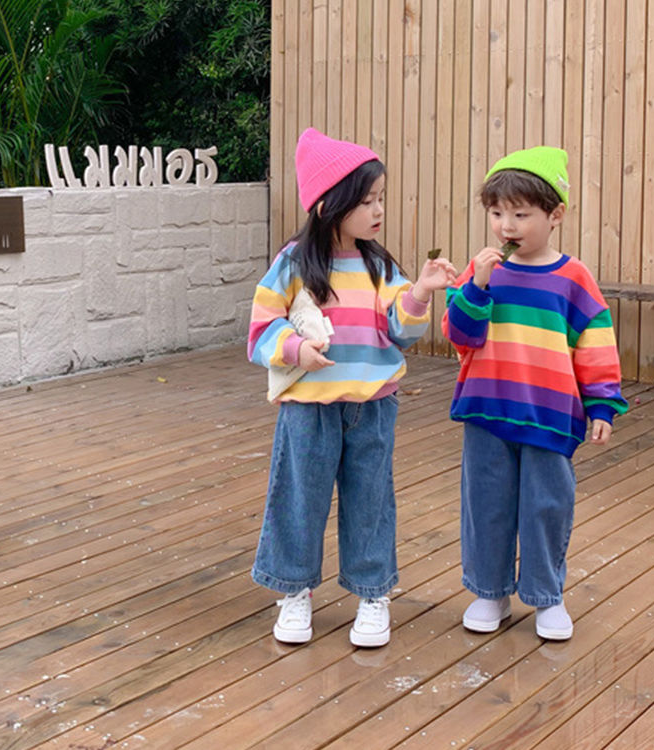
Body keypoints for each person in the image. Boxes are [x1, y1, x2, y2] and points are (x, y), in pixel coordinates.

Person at [248, 128, 456, 647]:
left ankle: (372, 593)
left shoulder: (379, 265)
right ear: (327, 205)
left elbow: (401, 332)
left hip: (373, 407)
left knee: (371, 502)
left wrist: (420, 292)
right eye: (366, 201)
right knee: (299, 498)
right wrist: (296, 349)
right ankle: (293, 590)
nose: (378, 210)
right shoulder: (293, 263)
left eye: (380, 198)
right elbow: (261, 328)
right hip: (307, 408)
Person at [442, 146, 628, 640]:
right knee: (486, 505)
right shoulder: (481, 271)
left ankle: (547, 596)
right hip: (487, 411)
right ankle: (489, 591)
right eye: (497, 213)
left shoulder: (574, 278)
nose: (506, 225)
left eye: (521, 214)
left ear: (555, 214)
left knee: (547, 507)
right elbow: (458, 335)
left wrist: (602, 404)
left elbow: (595, 343)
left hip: (550, 415)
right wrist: (476, 288)